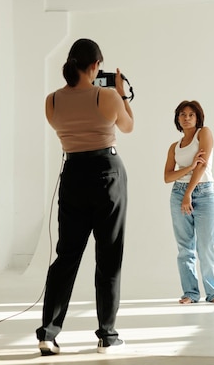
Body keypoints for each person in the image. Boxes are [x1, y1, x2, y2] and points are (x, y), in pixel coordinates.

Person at [36, 38, 134, 356]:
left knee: (66, 257)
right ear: (94, 66)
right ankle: (107, 336)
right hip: (107, 173)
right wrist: (122, 94)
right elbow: (128, 126)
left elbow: (66, 127)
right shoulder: (106, 96)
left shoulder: (51, 101)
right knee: (108, 257)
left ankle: (48, 334)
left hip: (74, 175)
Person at [163, 100, 214, 304]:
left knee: (206, 244)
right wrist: (188, 168)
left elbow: (202, 166)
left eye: (191, 114)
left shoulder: (204, 133)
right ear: (177, 119)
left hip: (204, 193)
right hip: (178, 193)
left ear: (198, 117)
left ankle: (213, 292)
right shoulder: (174, 147)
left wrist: (189, 192)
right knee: (185, 247)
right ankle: (190, 293)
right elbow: (168, 176)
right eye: (182, 114)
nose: (186, 118)